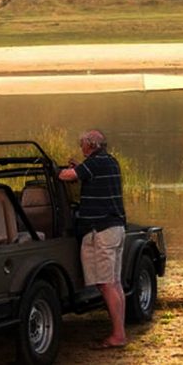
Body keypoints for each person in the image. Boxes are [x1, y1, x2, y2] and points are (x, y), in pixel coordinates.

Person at [58, 129, 127, 349]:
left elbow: (67, 177)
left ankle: (118, 335)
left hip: (101, 230)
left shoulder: (95, 163)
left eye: (82, 144)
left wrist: (60, 170)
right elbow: (87, 174)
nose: (81, 148)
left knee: (106, 284)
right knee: (114, 283)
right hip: (115, 228)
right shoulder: (110, 162)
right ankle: (120, 332)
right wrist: (79, 166)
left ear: (91, 144)